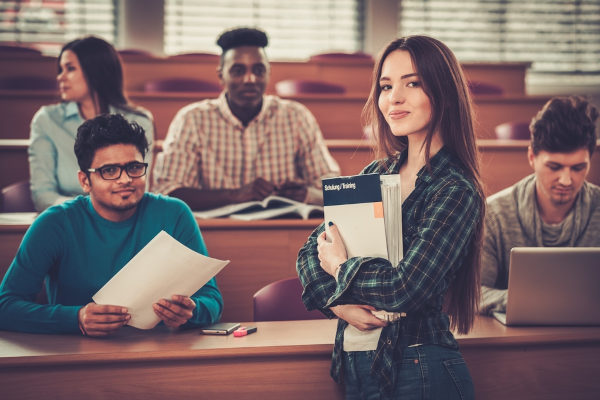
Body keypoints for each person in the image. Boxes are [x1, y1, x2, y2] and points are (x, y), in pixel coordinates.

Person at [297, 36, 484, 399]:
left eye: (412, 83)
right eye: (386, 86)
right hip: (358, 365)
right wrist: (338, 303)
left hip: (422, 367)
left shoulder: (456, 189)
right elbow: (309, 253)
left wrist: (340, 269)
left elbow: (405, 289)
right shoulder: (375, 173)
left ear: (443, 91)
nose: (393, 97)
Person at [0, 114, 222, 336]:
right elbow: (5, 305)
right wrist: (75, 318)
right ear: (85, 181)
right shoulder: (54, 223)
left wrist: (191, 312)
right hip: (77, 354)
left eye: (134, 167)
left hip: (159, 352)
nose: (125, 179)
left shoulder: (174, 213)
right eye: (109, 171)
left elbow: (212, 300)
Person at [152, 27, 339, 210]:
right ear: (221, 76)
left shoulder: (297, 117)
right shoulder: (191, 119)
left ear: (268, 73)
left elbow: (332, 186)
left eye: (258, 70)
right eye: (238, 71)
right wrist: (235, 195)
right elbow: (167, 190)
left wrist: (306, 194)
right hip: (213, 234)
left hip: (283, 233)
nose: (250, 79)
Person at [480, 96, 600, 315]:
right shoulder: (493, 214)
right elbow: (474, 294)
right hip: (519, 342)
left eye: (578, 168)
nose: (566, 180)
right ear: (531, 157)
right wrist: (543, 302)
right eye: (554, 167)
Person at [29, 35, 154, 212]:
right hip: (68, 220)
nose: (60, 78)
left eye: (70, 69)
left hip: (122, 219)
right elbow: (43, 195)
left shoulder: (139, 121)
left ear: (95, 72)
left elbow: (138, 188)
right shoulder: (47, 120)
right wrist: (90, 213)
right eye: (60, 70)